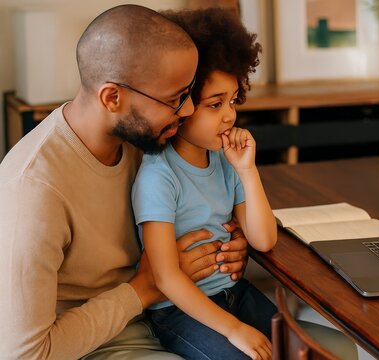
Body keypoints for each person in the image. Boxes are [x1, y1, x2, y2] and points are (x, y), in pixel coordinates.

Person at [0, 5, 250, 359]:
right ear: (112, 98)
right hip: (90, 344)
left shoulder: (147, 141)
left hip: (163, 312)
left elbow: (206, 199)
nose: (188, 111)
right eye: (175, 99)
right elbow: (23, 354)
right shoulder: (33, 190)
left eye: (189, 94)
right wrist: (142, 289)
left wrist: (234, 242)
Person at [131, 8, 276, 360]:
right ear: (180, 104)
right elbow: (164, 278)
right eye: (214, 104)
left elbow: (263, 238)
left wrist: (247, 171)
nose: (229, 115)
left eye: (232, 101)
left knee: (296, 344)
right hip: (178, 310)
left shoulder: (226, 162)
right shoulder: (157, 176)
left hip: (234, 291)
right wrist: (233, 328)